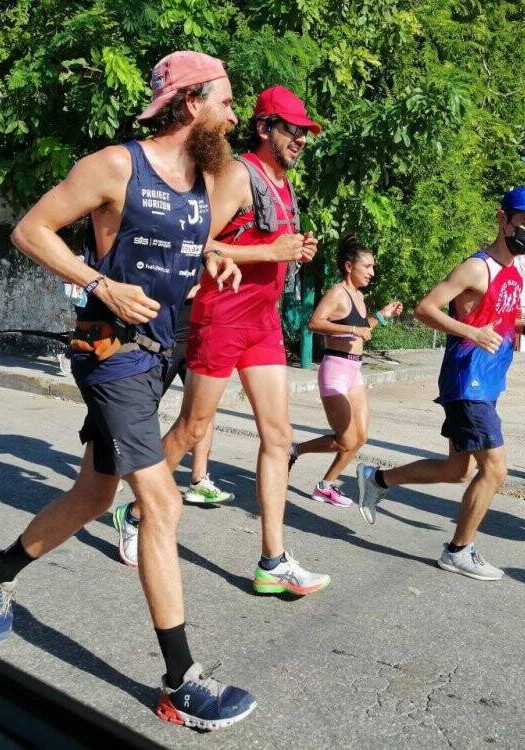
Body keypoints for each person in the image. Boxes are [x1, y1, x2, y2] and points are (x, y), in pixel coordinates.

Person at [0, 51, 257, 730]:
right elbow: (30, 230)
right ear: (192, 104)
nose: (233, 113)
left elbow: (178, 246)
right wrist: (98, 282)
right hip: (111, 356)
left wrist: (213, 257)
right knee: (160, 503)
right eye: (225, 99)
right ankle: (181, 682)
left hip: (160, 355)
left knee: (94, 495)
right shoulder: (115, 166)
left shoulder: (200, 183)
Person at [117, 86, 330, 597]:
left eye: (304, 132)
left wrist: (290, 250)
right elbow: (193, 240)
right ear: (265, 128)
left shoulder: (283, 185)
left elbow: (260, 244)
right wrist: (270, 252)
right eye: (291, 129)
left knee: (279, 437)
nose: (300, 139)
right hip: (222, 317)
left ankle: (272, 561)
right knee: (192, 428)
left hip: (262, 324)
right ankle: (137, 507)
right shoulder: (238, 174)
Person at [355, 187, 525, 581]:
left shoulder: (512, 272)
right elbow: (425, 309)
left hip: (489, 381)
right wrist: (472, 332)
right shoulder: (475, 267)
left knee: (457, 468)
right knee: (495, 470)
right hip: (468, 380)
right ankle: (458, 550)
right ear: (503, 220)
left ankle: (376, 479)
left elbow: (497, 318)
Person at [111, 283, 230, 566]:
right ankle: (110, 475)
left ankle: (198, 479)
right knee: (137, 411)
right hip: (165, 335)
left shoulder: (214, 246)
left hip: (203, 333)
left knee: (202, 413)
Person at [287, 236, 402, 507]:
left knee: (360, 438)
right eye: (368, 267)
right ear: (349, 266)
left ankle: (325, 485)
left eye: (373, 267)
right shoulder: (337, 292)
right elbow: (314, 322)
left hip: (354, 371)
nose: (372, 273)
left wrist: (382, 316)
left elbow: (364, 330)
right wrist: (353, 329)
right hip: (335, 369)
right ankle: (294, 450)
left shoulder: (359, 298)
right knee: (346, 438)